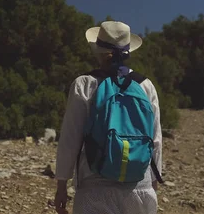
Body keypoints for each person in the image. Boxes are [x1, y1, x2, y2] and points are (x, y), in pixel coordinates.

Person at [54, 21, 163, 214]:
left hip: (94, 186)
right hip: (139, 184)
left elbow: (70, 139)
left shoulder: (84, 84)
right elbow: (155, 140)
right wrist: (153, 184)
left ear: (98, 50)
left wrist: (61, 185)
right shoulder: (146, 85)